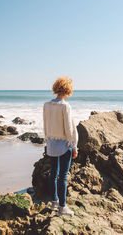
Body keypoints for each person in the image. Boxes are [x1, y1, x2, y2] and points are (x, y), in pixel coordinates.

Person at [43, 76, 78, 216]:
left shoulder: (46, 105)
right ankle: (63, 208)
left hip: (51, 142)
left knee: (53, 174)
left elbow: (45, 125)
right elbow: (69, 129)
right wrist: (74, 146)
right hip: (64, 144)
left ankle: (54, 202)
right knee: (63, 176)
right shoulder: (65, 106)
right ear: (68, 90)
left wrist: (47, 141)